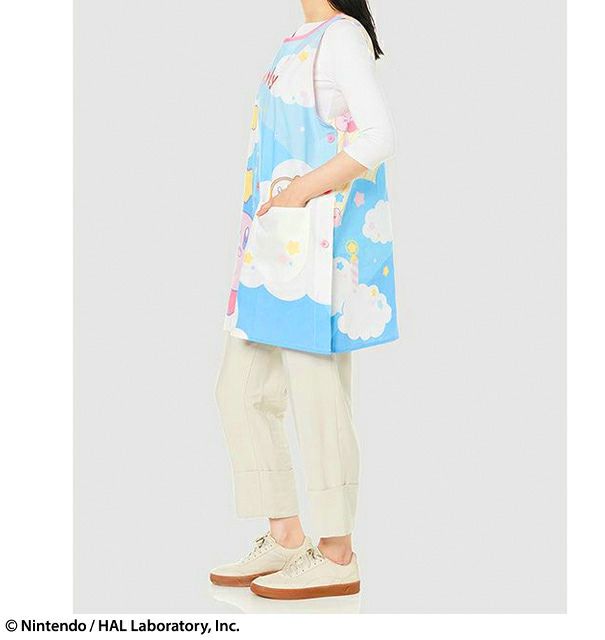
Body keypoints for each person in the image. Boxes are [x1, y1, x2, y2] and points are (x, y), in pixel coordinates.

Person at [210, 0, 399, 600]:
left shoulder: (341, 37)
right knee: (241, 390)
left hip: (313, 246)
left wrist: (298, 195)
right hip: (272, 248)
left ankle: (337, 552)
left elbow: (378, 135)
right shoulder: (297, 39)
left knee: (320, 400)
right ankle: (287, 536)